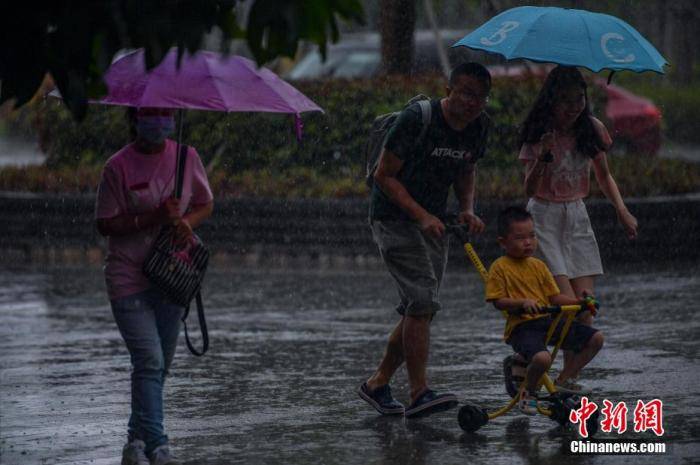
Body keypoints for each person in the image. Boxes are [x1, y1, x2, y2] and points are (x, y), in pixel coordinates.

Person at [358, 62, 491, 419]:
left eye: (479, 98)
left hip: (434, 222)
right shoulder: (418, 118)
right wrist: (421, 216)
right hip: (393, 218)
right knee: (421, 301)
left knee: (420, 309)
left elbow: (466, 168)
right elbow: (383, 175)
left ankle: (377, 384)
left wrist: (466, 208)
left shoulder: (479, 126)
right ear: (448, 90)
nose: (471, 103)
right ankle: (419, 393)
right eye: (465, 93)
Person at [95, 107, 214, 465]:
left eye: (165, 113)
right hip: (128, 278)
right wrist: (153, 217)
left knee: (158, 367)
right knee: (148, 359)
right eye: (150, 113)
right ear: (135, 117)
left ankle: (135, 441)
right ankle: (159, 445)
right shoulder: (117, 167)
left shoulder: (186, 157)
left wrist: (185, 223)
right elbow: (105, 224)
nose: (158, 120)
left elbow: (206, 203)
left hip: (172, 277)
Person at [519, 66, 636, 391]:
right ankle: (525, 359)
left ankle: (565, 382)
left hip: (577, 217)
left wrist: (622, 211)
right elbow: (528, 190)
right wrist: (543, 157)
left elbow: (604, 175)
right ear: (551, 101)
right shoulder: (539, 133)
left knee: (585, 309)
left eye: (580, 99)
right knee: (565, 304)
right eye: (566, 100)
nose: (574, 107)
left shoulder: (591, 129)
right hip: (543, 218)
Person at [485, 206, 604, 414]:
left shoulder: (539, 266)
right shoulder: (499, 267)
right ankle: (528, 393)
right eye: (520, 238)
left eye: (532, 236)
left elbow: (555, 297)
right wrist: (522, 303)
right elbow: (498, 301)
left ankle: (563, 381)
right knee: (542, 359)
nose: (528, 242)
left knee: (596, 339)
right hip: (522, 327)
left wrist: (579, 302)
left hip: (547, 322)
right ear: (503, 242)